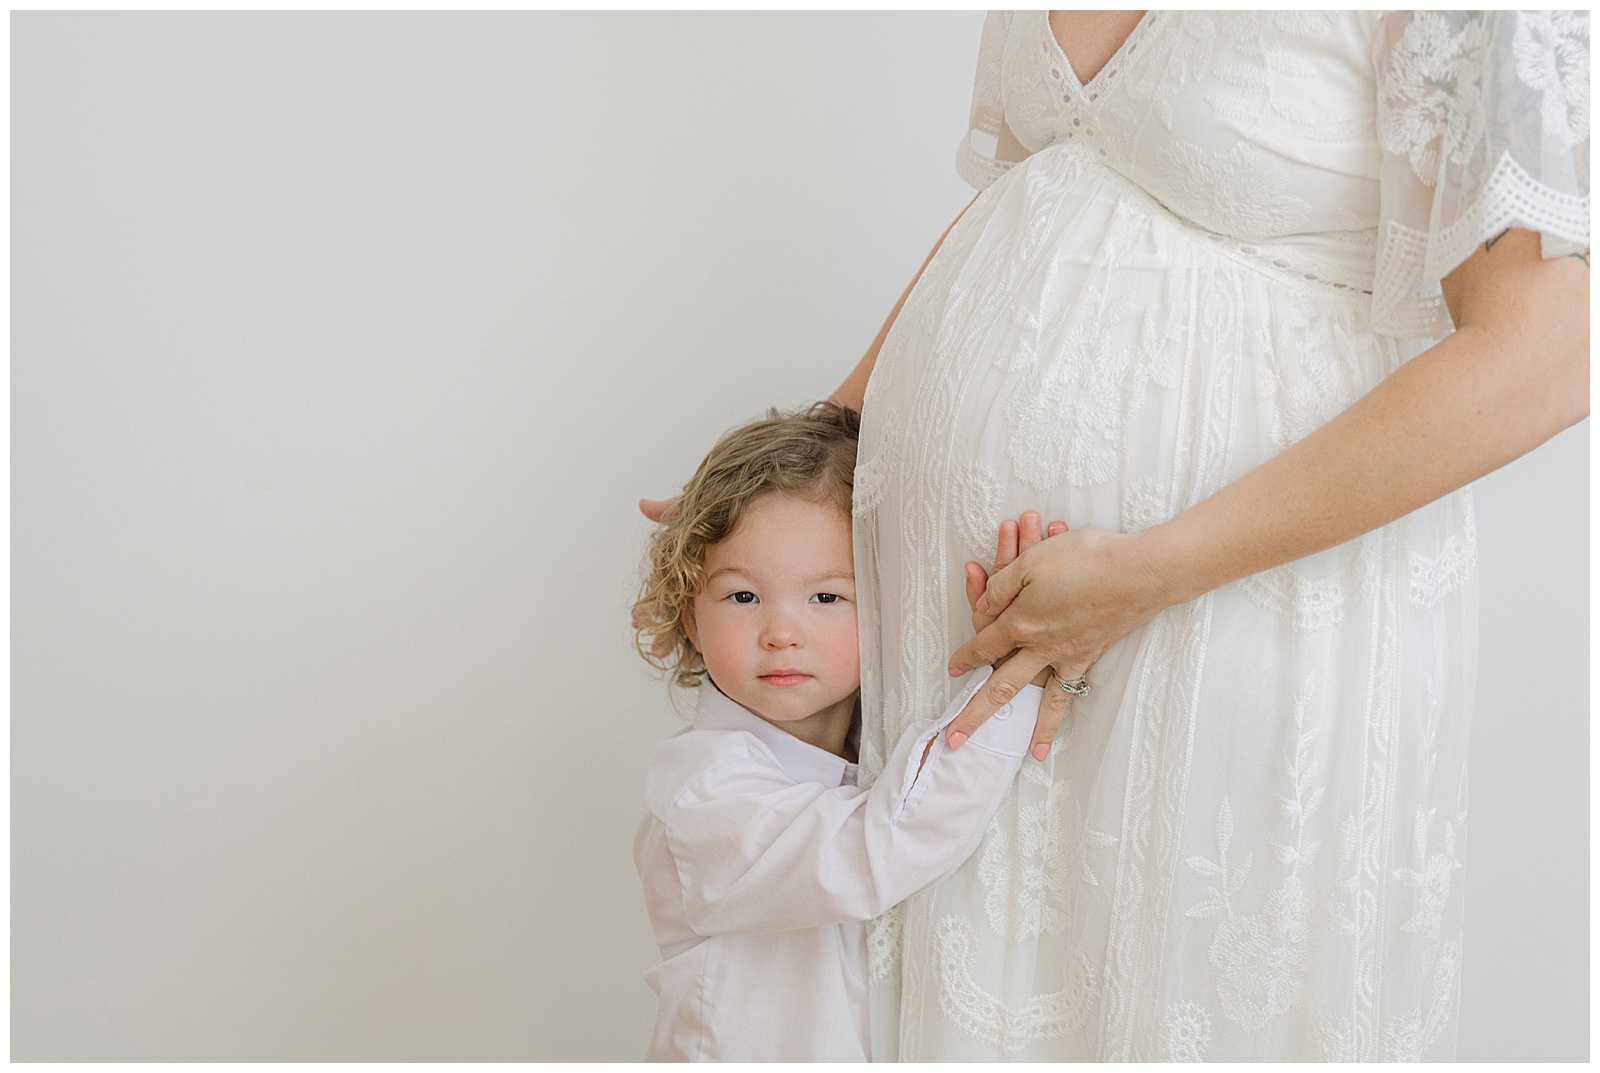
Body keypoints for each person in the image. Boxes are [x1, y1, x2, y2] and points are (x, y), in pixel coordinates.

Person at [820, 10, 1588, 1063]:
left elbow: (1544, 359)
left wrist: (1145, 572)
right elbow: (1044, 184)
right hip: (963, 639)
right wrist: (815, 453)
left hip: (1230, 611)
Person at [630, 402, 1059, 1062]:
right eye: (743, 596)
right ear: (690, 616)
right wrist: (1017, 669)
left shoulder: (873, 745)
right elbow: (876, 847)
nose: (782, 631)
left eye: (826, 597)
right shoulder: (703, 791)